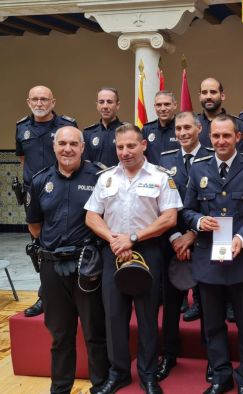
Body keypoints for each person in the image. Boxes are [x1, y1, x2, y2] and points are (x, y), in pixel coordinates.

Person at [85, 123, 183, 394]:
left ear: (143, 145)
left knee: (147, 317)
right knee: (114, 317)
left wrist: (134, 238)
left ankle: (148, 375)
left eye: (130, 146)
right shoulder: (106, 178)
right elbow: (92, 215)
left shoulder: (161, 177)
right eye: (120, 147)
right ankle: (118, 374)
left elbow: (169, 217)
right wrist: (114, 239)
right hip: (113, 252)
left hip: (148, 252)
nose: (125, 152)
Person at [182, 114, 243, 394]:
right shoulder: (198, 168)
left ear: (238, 137)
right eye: (215, 136)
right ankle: (221, 376)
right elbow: (187, 209)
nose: (220, 141)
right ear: (209, 137)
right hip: (209, 258)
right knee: (213, 324)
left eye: (226, 136)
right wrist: (197, 222)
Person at [26, 126, 109, 394]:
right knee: (60, 335)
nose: (67, 149)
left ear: (83, 147)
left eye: (74, 143)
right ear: (54, 146)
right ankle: (60, 388)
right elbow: (35, 226)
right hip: (51, 268)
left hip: (87, 266)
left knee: (94, 332)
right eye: (62, 143)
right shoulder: (40, 180)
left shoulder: (99, 176)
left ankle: (99, 385)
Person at [156, 111, 209, 381]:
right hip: (173, 242)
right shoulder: (165, 161)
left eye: (188, 127)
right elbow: (160, 203)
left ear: (199, 128)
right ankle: (169, 354)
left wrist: (192, 235)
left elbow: (212, 203)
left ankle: (213, 356)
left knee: (210, 303)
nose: (183, 132)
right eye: (178, 128)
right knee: (171, 303)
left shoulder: (212, 156)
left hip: (204, 240)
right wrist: (177, 237)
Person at [16, 85, 77, 318]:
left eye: (44, 99)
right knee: (39, 246)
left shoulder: (67, 126)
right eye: (35, 99)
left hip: (62, 192)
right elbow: (23, 158)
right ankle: (45, 296)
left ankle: (74, 294)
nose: (39, 103)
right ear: (28, 101)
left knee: (66, 241)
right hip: (35, 195)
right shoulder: (21, 128)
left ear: (53, 102)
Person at [197, 77, 243, 154]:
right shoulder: (193, 124)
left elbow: (242, 157)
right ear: (200, 97)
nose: (208, 96)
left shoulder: (238, 124)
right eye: (204, 92)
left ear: (222, 96)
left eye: (213, 92)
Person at [83, 87, 125, 167]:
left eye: (109, 102)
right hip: (95, 178)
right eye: (101, 102)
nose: (105, 106)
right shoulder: (88, 133)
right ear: (97, 105)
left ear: (117, 105)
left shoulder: (127, 131)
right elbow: (85, 164)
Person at [143, 90, 179, 164]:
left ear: (175, 105)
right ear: (155, 107)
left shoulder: (182, 128)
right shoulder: (146, 130)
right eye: (159, 105)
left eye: (167, 104)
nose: (162, 109)